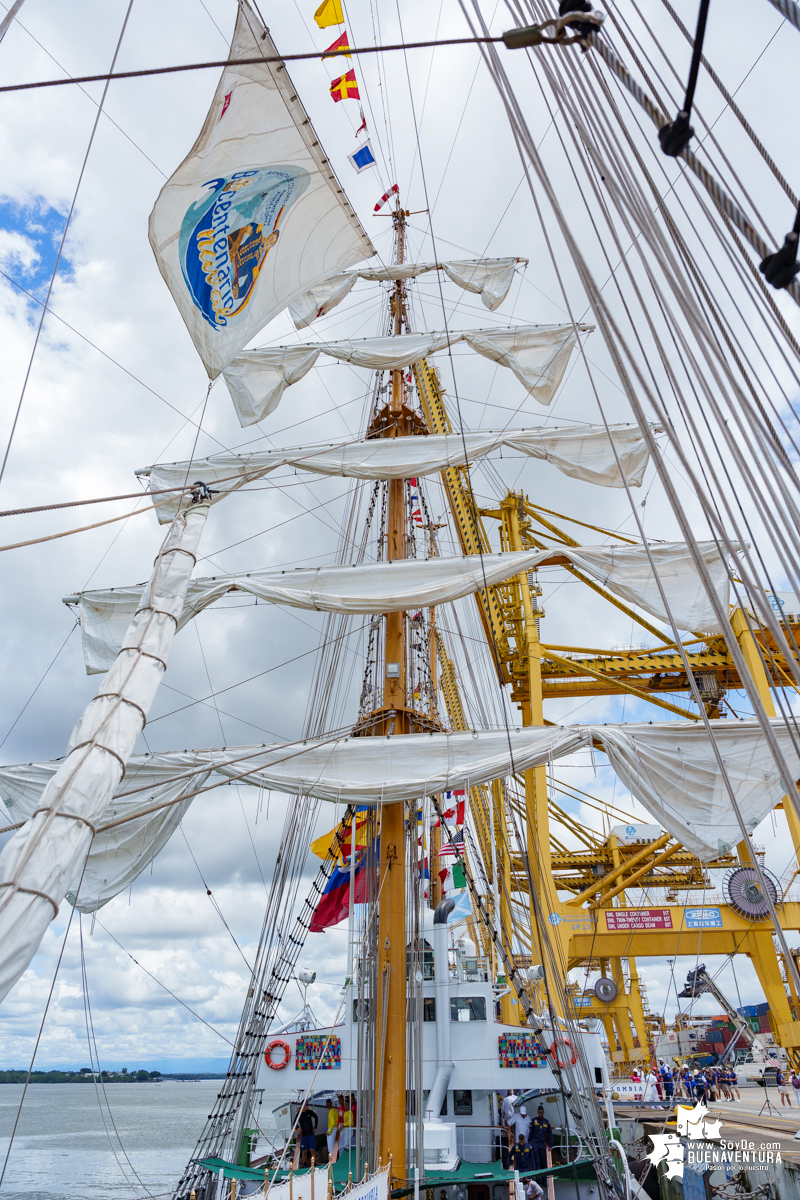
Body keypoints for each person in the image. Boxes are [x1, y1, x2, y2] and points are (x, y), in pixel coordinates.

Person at [529, 1105, 553, 1172]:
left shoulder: (546, 1122)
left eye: (541, 1113)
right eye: (539, 1113)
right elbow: (530, 1133)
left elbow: (550, 1134)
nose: (540, 1114)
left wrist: (551, 1145)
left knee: (543, 1161)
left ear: (543, 1112)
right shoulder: (534, 1121)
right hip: (535, 1144)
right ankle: (538, 1178)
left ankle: (543, 1180)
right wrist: (529, 1143)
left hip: (542, 1144)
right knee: (537, 1161)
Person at [297, 1102, 318, 1167]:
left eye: (307, 1104)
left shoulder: (309, 1112)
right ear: (302, 1106)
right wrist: (297, 1128)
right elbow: (294, 1122)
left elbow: (316, 1117)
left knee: (312, 1150)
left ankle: (314, 1164)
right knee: (304, 1151)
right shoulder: (299, 1114)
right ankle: (305, 1165)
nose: (307, 1106)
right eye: (306, 1105)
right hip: (304, 1135)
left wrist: (315, 1127)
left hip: (311, 1134)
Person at [326, 1098, 338, 1163]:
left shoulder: (330, 1112)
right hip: (336, 1128)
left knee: (330, 1149)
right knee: (334, 1147)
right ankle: (334, 1160)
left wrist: (329, 1132)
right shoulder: (335, 1111)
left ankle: (331, 1162)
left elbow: (332, 1122)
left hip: (332, 1129)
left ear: (327, 1105)